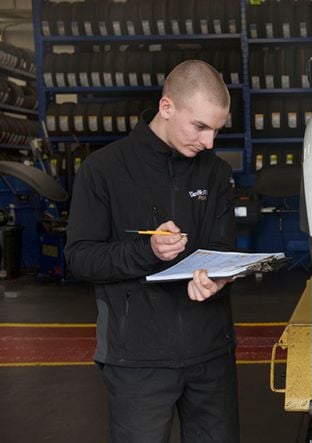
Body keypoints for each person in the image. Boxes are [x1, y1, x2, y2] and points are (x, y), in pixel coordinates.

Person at [64, 60, 239, 443]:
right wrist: (148, 251)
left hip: (210, 354)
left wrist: (219, 276)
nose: (209, 142)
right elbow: (79, 257)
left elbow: (223, 248)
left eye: (216, 130)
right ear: (167, 107)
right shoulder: (103, 170)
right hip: (136, 360)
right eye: (200, 127)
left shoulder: (215, 173)